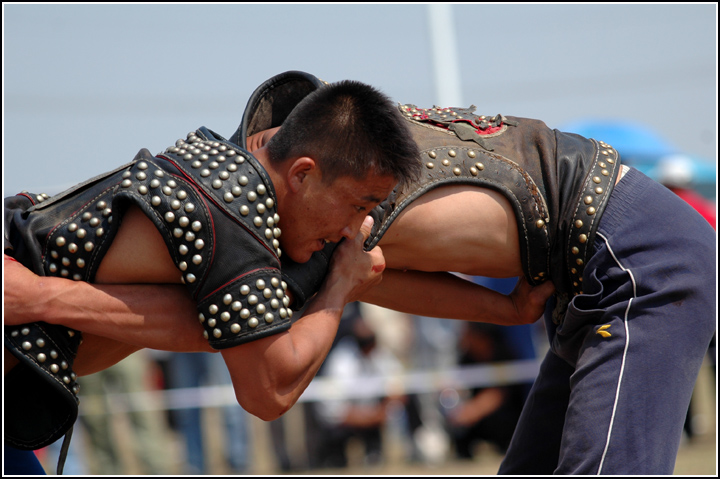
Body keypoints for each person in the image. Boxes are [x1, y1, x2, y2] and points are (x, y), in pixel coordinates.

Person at [8, 71, 714, 474]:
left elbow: (293, 346)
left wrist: (42, 295)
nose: (357, 226)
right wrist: (498, 310)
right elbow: (350, 277)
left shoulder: (337, 200)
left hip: (643, 253)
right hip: (591, 261)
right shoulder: (291, 213)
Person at [3, 72, 422, 474]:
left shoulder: (217, 189)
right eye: (357, 206)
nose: (354, 229)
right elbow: (268, 392)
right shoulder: (231, 215)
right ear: (302, 173)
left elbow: (203, 328)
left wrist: (44, 296)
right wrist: (339, 290)